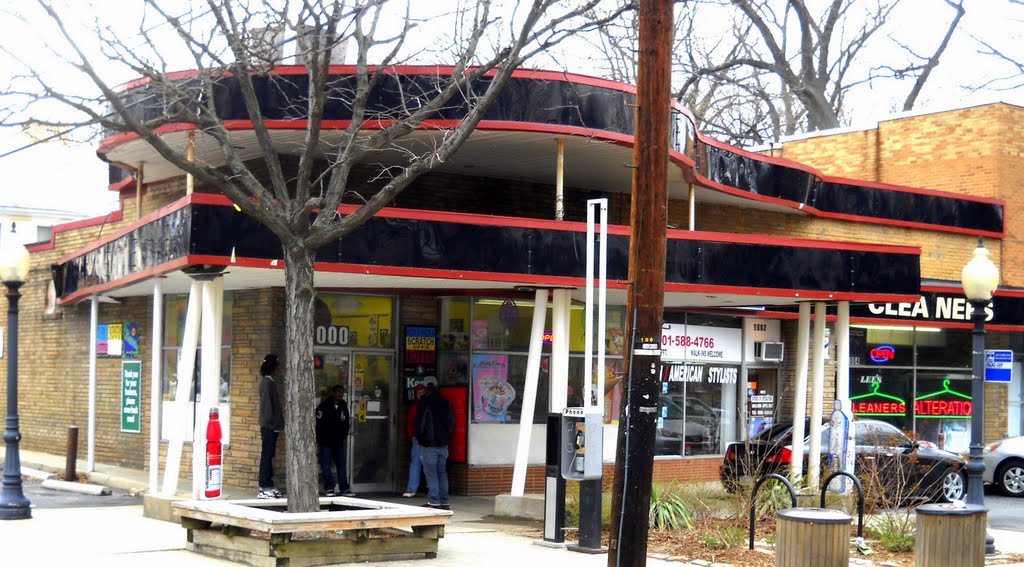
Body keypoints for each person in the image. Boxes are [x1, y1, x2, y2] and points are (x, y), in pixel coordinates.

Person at [415, 381, 454, 510]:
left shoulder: (425, 403)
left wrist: (421, 438)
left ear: (426, 390)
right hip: (443, 444)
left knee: (431, 474)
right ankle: (444, 502)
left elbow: (421, 424)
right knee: (442, 473)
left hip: (429, 444)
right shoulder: (446, 402)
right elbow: (451, 423)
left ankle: (434, 501)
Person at [315, 384, 355, 497]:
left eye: (342, 392)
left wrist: (343, 436)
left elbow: (346, 423)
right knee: (326, 465)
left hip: (338, 442)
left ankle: (344, 488)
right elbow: (318, 424)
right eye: (338, 392)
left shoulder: (343, 407)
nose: (340, 394)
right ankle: (329, 487)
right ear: (333, 393)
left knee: (341, 465)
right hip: (325, 442)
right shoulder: (323, 406)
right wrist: (321, 438)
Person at [258, 354, 284, 499]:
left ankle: (268, 484)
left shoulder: (269, 383)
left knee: (269, 455)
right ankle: (264, 486)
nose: (279, 370)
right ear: (273, 368)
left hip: (270, 426)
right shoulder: (267, 383)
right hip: (269, 427)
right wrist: (272, 424)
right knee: (266, 456)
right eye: (277, 367)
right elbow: (268, 407)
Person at [402, 384, 427, 497]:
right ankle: (412, 488)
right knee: (416, 463)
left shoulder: (428, 405)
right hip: (418, 439)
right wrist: (412, 436)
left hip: (428, 439)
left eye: (423, 392)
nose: (421, 394)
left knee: (426, 463)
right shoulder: (415, 407)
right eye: (419, 392)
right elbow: (409, 423)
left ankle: (430, 488)